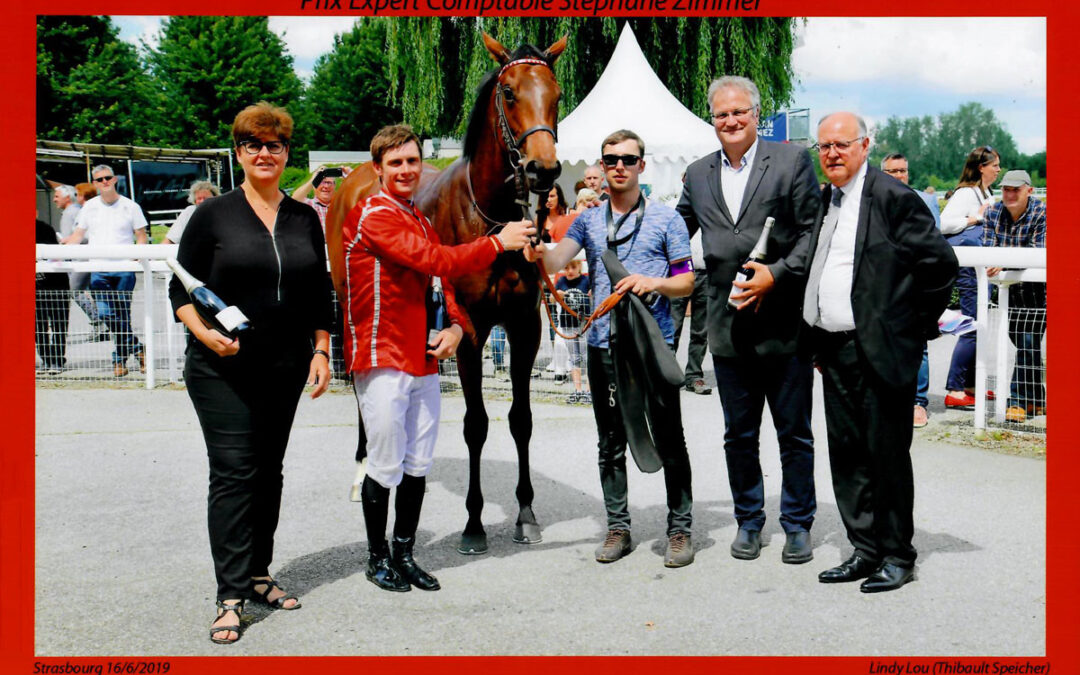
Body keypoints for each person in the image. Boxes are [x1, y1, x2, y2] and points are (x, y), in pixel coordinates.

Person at [342, 124, 536, 593]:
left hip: (424, 358)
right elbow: (435, 260)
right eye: (396, 163)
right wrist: (497, 242)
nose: (407, 171)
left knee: (417, 462)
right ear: (377, 169)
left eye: (412, 161)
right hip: (384, 353)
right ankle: (377, 558)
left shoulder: (420, 218)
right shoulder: (373, 214)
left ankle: (405, 553)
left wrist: (454, 325)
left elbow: (440, 283)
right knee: (385, 462)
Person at [170, 102, 335, 644]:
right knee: (236, 472)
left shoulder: (304, 216)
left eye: (275, 144)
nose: (265, 153)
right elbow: (182, 289)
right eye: (253, 144)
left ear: (288, 153)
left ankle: (259, 573)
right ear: (237, 152)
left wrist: (320, 348)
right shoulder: (213, 214)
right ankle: (230, 593)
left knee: (269, 471)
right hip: (222, 369)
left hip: (286, 365)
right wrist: (203, 333)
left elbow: (318, 293)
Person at [526, 129, 696, 568]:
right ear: (601, 167)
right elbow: (553, 261)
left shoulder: (666, 219)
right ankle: (618, 526)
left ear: (641, 164)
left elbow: (687, 281)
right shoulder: (586, 221)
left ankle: (680, 530)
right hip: (602, 345)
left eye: (627, 158)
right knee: (610, 442)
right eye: (610, 159)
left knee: (669, 438)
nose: (618, 166)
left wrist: (653, 282)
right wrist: (529, 246)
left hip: (650, 346)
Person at [804, 112, 957, 593]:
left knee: (886, 456)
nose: (832, 153)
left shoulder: (894, 198)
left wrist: (907, 331)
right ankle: (864, 550)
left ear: (865, 146)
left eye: (842, 145)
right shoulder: (826, 199)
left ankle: (897, 554)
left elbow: (940, 268)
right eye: (824, 146)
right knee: (847, 456)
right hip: (833, 348)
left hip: (882, 351)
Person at [676, 75, 819, 564]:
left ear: (757, 114)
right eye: (722, 114)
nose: (731, 121)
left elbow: (809, 234)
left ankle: (798, 523)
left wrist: (776, 275)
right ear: (711, 118)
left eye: (740, 112)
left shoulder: (792, 160)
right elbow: (677, 235)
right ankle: (749, 521)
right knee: (738, 435)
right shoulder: (696, 173)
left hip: (783, 323)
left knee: (793, 433)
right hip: (726, 324)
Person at [62, 164, 148, 377]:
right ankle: (137, 349)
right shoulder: (89, 207)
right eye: (99, 179)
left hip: (124, 269)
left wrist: (140, 252)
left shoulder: (130, 206)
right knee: (105, 313)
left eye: (107, 178)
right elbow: (78, 235)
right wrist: (62, 248)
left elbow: (141, 236)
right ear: (94, 183)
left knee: (122, 315)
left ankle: (119, 360)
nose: (104, 182)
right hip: (98, 268)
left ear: (115, 179)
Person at [980, 170, 1046, 423]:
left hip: (1037, 294)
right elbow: (988, 249)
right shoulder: (993, 212)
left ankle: (1017, 401)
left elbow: (1036, 253)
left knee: (1027, 342)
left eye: (1015, 190)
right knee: (1024, 345)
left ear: (1029, 190)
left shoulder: (1041, 212)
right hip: (1008, 291)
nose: (1009, 194)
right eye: (1006, 189)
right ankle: (1038, 400)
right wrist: (1001, 261)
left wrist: (1003, 262)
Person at [881, 153, 942, 428]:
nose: (899, 176)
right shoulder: (875, 200)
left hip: (915, 283)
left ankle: (918, 402)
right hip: (883, 284)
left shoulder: (926, 200)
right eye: (892, 171)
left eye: (903, 170)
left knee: (920, 346)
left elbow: (935, 245)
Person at [940, 145, 1001, 410]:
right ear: (981, 167)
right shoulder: (966, 193)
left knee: (980, 325)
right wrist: (974, 219)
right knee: (972, 326)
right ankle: (954, 387)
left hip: (979, 267)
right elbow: (943, 224)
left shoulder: (986, 193)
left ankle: (969, 385)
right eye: (995, 165)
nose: (999, 170)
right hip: (968, 268)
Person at [668, 228, 710, 396]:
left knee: (701, 331)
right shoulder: (676, 205)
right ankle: (669, 375)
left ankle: (694, 376)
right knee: (673, 327)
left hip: (707, 270)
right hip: (681, 266)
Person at [554, 258, 591, 403]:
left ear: (579, 268)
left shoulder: (586, 281)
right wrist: (557, 295)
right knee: (574, 357)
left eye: (573, 267)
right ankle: (578, 390)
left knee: (587, 357)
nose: (569, 271)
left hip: (584, 324)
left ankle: (588, 390)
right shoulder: (562, 281)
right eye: (566, 267)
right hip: (568, 323)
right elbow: (552, 298)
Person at [36, 214, 69, 374]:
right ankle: (45, 358)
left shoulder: (44, 228)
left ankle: (57, 359)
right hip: (35, 286)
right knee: (37, 325)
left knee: (58, 322)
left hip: (55, 283)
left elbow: (53, 256)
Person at [291, 164, 352, 234]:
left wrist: (350, 175)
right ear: (314, 186)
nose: (326, 186)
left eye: (329, 183)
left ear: (334, 186)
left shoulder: (342, 205)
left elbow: (363, 198)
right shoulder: (308, 204)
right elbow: (294, 199)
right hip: (315, 244)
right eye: (321, 182)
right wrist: (313, 179)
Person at [165, 180, 221, 245]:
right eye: (199, 198)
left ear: (215, 198)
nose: (202, 201)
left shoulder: (222, 212)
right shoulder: (189, 212)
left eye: (206, 198)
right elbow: (171, 239)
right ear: (194, 201)